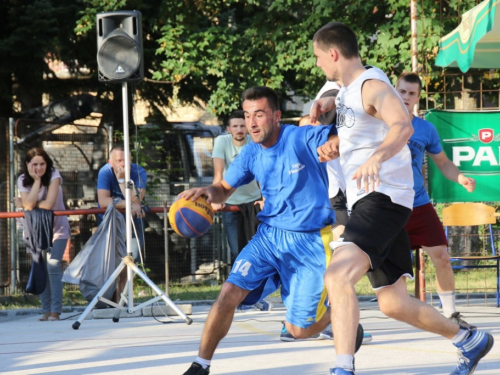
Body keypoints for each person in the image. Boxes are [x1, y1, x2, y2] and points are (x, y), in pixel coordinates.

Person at [311, 22, 493, 375]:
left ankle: (342, 368)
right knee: (393, 303)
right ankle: (467, 340)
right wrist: (329, 112)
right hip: (375, 202)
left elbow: (402, 125)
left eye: (319, 58)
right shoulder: (348, 91)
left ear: (333, 53)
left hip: (381, 199)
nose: (318, 65)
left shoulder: (371, 84)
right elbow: (359, 118)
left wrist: (377, 157)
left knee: (337, 276)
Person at [181, 86, 363, 375]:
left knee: (298, 331)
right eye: (247, 115)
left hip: (309, 242)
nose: (251, 122)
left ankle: (341, 316)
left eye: (259, 114)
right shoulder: (251, 153)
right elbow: (224, 189)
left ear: (277, 116)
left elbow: (344, 139)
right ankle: (200, 365)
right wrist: (207, 192)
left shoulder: (300, 137)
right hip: (268, 238)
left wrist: (336, 142)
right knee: (228, 292)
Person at [396, 72, 477, 327]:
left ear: (418, 98)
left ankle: (451, 314)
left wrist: (461, 177)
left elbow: (442, 162)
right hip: (388, 206)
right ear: (393, 91)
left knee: (441, 255)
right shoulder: (377, 123)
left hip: (418, 205)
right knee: (379, 262)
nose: (406, 97)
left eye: (411, 93)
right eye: (402, 91)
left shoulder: (425, 129)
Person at [211, 109, 271, 312]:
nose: (239, 129)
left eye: (242, 125)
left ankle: (255, 297)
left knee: (256, 253)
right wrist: (216, 197)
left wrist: (265, 197)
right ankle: (238, 297)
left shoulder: (254, 143)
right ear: (228, 129)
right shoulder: (222, 143)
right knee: (237, 252)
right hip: (231, 204)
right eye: (234, 126)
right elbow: (218, 172)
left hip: (253, 202)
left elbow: (263, 172)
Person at [16, 148, 70, 321]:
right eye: (35, 164)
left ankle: (56, 311)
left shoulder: (54, 175)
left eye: (42, 164)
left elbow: (47, 205)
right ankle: (46, 310)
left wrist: (23, 202)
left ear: (47, 164)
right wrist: (37, 181)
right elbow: (30, 206)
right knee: (40, 267)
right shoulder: (23, 180)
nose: (39, 168)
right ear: (28, 165)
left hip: (57, 229)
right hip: (35, 230)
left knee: (53, 267)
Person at [97, 145, 147, 299]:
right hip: (110, 221)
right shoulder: (105, 172)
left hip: (132, 221)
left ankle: (123, 299)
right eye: (119, 160)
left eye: (126, 160)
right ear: (110, 162)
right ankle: (107, 298)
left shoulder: (139, 172)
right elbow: (103, 201)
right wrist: (128, 203)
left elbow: (137, 199)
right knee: (110, 263)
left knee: (131, 261)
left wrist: (121, 181)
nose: (123, 164)